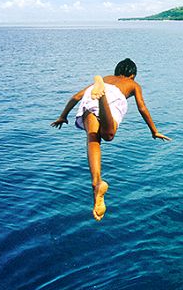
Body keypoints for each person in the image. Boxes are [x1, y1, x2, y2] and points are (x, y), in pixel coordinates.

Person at [51, 58, 170, 220]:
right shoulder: (133, 84)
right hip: (113, 100)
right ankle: (102, 99)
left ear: (116, 71)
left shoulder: (107, 79)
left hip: (89, 100)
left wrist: (62, 116)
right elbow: (142, 108)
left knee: (93, 140)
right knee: (108, 135)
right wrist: (154, 131)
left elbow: (76, 97)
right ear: (132, 75)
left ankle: (97, 183)